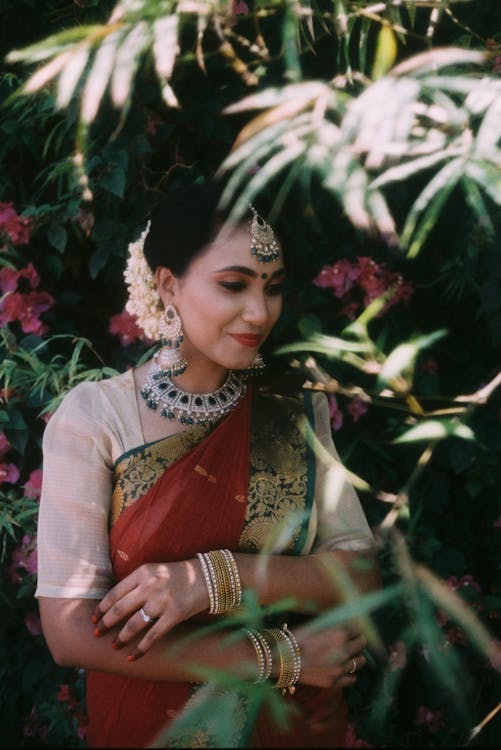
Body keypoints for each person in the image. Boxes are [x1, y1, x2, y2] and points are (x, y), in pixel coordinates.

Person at [35, 180, 381, 749]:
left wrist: (210, 579)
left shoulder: (292, 409)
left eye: (272, 288)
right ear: (168, 285)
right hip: (149, 725)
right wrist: (278, 655)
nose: (259, 311)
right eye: (233, 285)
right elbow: (71, 632)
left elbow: (359, 576)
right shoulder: (97, 417)